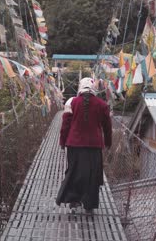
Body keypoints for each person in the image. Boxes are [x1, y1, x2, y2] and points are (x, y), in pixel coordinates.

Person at [56, 77, 112, 214]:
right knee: (93, 175)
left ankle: (74, 202)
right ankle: (89, 205)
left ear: (80, 87)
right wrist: (108, 143)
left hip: (74, 145)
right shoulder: (102, 105)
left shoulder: (71, 102)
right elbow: (107, 127)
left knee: (74, 172)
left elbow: (65, 125)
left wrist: (63, 142)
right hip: (94, 146)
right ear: (94, 89)